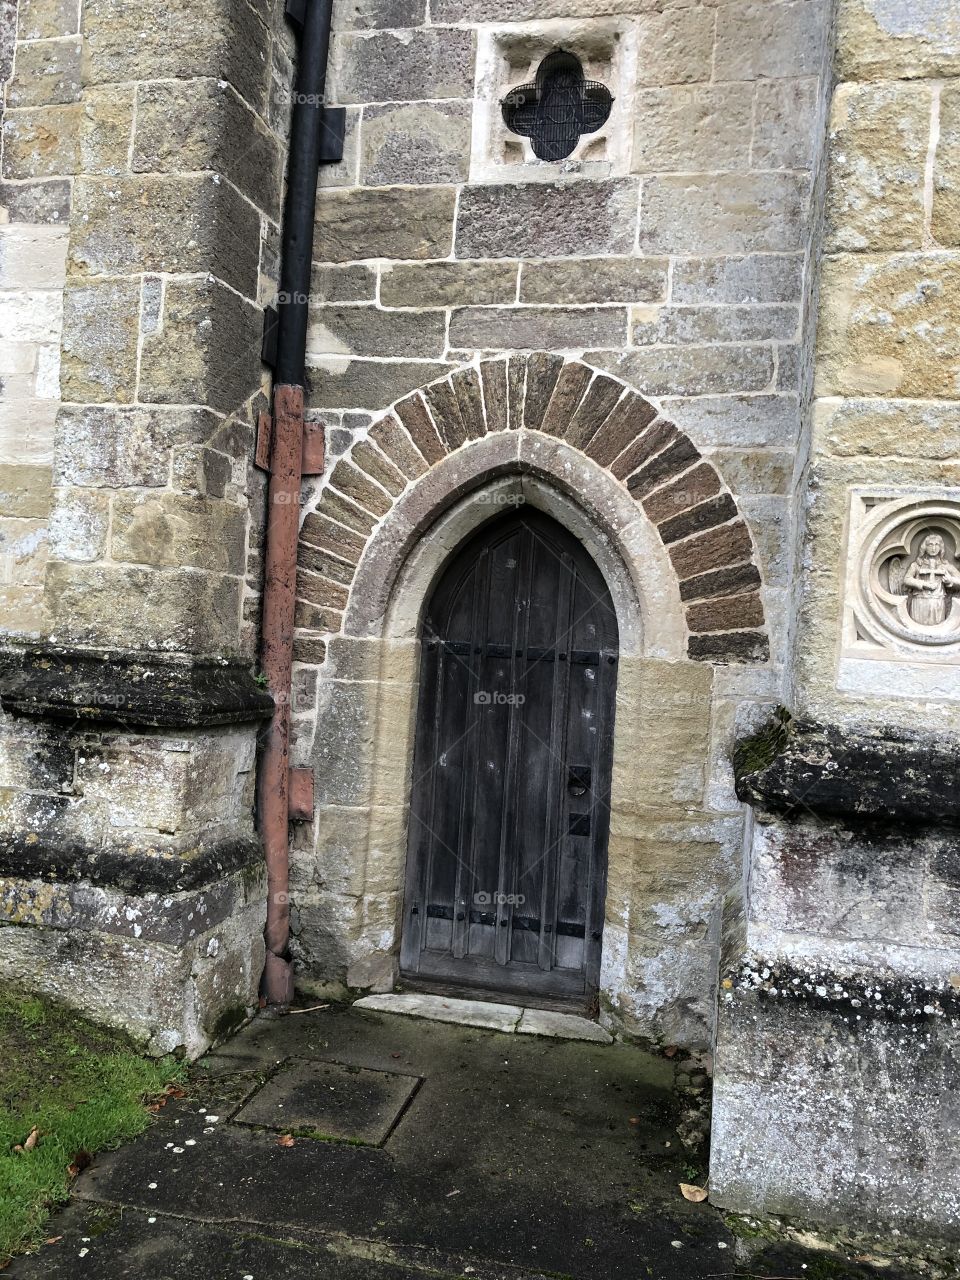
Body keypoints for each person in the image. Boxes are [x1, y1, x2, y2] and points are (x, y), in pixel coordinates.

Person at [902, 533, 960, 625]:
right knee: (918, 626)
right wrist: (923, 584)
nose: (933, 548)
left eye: (937, 545)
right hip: (919, 600)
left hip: (938, 601)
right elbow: (907, 579)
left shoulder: (945, 565)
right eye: (930, 545)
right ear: (924, 547)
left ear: (941, 547)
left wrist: (950, 580)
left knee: (938, 626)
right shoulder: (917, 565)